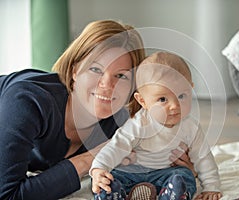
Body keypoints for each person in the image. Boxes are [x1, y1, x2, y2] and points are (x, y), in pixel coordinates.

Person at [0, 19, 147, 200]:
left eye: (121, 76)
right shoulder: (27, 101)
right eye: (95, 69)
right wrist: (90, 158)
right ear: (75, 70)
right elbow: (7, 195)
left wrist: (187, 165)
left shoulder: (121, 124)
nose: (108, 85)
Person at [90, 51, 222, 200]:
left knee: (184, 176)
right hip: (132, 174)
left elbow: (203, 158)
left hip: (165, 176)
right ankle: (114, 194)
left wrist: (211, 187)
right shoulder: (139, 124)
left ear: (191, 89)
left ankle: (172, 194)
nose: (174, 106)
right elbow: (116, 146)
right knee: (109, 178)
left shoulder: (191, 127)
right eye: (162, 99)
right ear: (143, 101)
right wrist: (99, 168)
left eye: (182, 96)